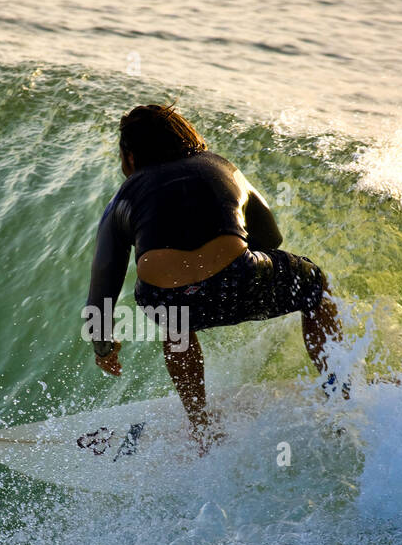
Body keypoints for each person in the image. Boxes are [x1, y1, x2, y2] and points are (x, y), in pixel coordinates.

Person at [84, 103, 342, 451]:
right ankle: (339, 393)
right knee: (313, 287)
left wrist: (103, 347)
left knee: (174, 321)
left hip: (169, 300)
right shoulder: (224, 169)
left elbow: (104, 282)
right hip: (240, 278)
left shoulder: (122, 199)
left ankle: (201, 427)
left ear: (129, 157)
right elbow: (271, 238)